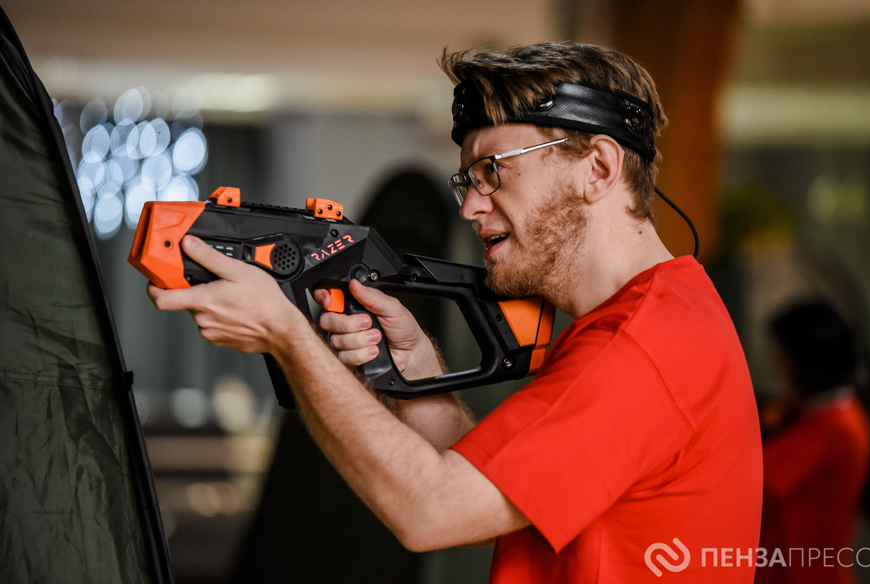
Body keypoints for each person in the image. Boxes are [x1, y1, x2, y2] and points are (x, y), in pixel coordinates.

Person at [149, 43, 762, 582]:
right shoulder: (655, 320)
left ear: (598, 168)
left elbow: (432, 512)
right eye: (466, 181)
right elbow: (495, 504)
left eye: (492, 172)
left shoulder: (638, 346)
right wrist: (419, 375)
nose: (470, 208)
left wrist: (287, 336)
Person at [756, 300, 870, 584]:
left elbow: (760, 481)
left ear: (801, 360)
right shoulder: (817, 411)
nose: (775, 365)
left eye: (781, 354)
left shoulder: (835, 425)